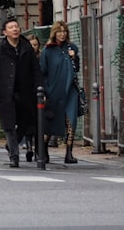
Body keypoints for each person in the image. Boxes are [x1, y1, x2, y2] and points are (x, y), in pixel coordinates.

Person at [0, 17, 41, 167]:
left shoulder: (27, 48)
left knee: (25, 122)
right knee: (9, 125)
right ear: (5, 32)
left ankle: (11, 145)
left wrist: (39, 88)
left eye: (16, 27)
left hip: (25, 91)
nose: (15, 29)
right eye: (11, 27)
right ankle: (14, 156)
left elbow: (35, 70)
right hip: (7, 92)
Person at [40, 21, 80, 164]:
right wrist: (44, 90)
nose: (62, 34)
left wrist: (74, 57)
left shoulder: (72, 48)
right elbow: (42, 72)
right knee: (52, 121)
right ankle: (43, 149)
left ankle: (69, 152)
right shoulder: (48, 51)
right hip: (54, 91)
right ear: (54, 33)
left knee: (71, 120)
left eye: (64, 31)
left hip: (70, 91)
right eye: (59, 31)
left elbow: (77, 68)